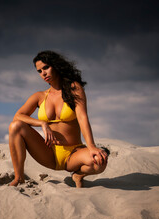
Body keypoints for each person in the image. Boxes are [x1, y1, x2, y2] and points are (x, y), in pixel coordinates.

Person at [8, 50, 108, 188]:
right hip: (48, 153)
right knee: (15, 126)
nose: (43, 73)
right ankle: (19, 178)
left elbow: (82, 117)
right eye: (39, 71)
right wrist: (42, 123)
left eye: (46, 67)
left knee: (99, 162)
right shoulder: (40, 96)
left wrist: (91, 146)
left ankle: (78, 174)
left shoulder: (74, 88)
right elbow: (18, 116)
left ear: (55, 66)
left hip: (73, 153)